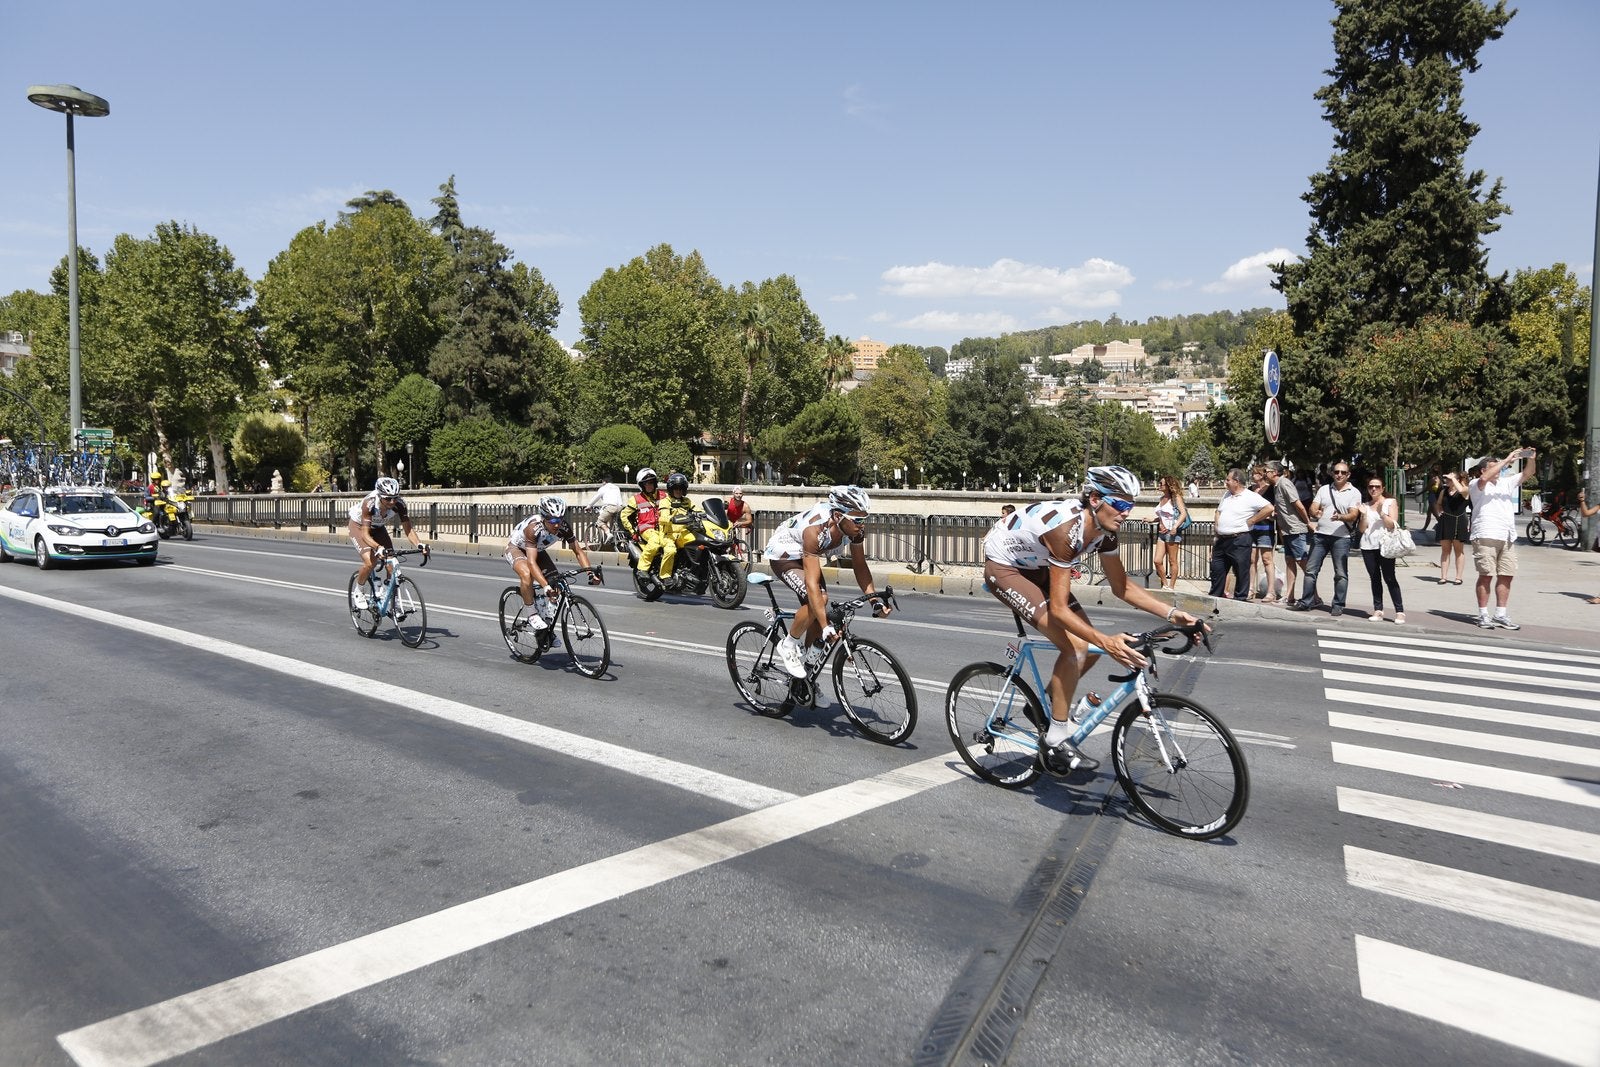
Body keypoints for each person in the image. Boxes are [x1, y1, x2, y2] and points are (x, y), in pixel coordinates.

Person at [984, 466, 1204, 776]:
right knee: (1076, 647)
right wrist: (1107, 642)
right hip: (1006, 568)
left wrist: (1171, 613)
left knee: (1085, 648)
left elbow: (1121, 587)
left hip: (1038, 565)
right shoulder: (1067, 531)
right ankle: (1056, 741)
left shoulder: (1105, 532)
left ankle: (1045, 709)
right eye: (1122, 504)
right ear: (1096, 499)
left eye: (1132, 505)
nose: (1127, 513)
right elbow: (1059, 610)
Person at [761, 485, 892, 679]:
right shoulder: (814, 531)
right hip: (785, 556)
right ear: (838, 516)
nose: (862, 525)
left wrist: (874, 600)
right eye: (857, 520)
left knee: (818, 608)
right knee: (819, 599)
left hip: (807, 555)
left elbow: (860, 566)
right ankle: (788, 644)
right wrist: (825, 626)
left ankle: (806, 679)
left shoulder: (855, 530)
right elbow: (812, 583)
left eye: (865, 519)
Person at [505, 495, 600, 631]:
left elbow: (578, 551)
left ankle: (546, 630)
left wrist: (590, 573)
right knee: (527, 575)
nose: (557, 524)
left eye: (560, 519)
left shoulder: (564, 527)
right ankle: (531, 613)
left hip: (538, 550)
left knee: (557, 583)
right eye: (553, 520)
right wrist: (545, 586)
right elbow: (531, 562)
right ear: (544, 518)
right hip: (517, 549)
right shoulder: (533, 528)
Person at [1467, 447, 1534, 630]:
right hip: (1485, 534)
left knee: (1506, 575)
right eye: (1493, 467)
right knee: (1486, 575)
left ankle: (1501, 614)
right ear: (1483, 469)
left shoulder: (1506, 483)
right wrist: (1505, 460)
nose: (1499, 470)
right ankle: (1483, 615)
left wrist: (1531, 458)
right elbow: (1484, 479)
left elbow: (1528, 473)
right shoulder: (1476, 484)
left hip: (1507, 536)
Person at [1289, 460, 1361, 616]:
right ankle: (1306, 602)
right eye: (1336, 472)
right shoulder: (1324, 489)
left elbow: (1354, 514)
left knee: (1340, 573)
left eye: (1343, 472)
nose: (1339, 475)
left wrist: (1341, 517)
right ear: (1332, 473)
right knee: (1310, 571)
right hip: (1321, 536)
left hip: (1342, 537)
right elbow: (1313, 507)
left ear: (1348, 475)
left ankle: (1338, 604)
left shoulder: (1354, 493)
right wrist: (1315, 512)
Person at [347, 476, 429, 608]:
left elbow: (408, 529)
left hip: (378, 528)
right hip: (359, 527)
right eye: (388, 498)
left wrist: (420, 544)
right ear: (379, 496)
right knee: (370, 562)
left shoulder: (399, 504)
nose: (392, 502)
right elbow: (365, 534)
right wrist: (378, 547)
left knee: (392, 561)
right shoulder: (370, 504)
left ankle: (388, 594)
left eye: (395, 498)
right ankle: (359, 591)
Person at [1208, 468, 1273, 601]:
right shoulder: (1226, 495)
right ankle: (1214, 598)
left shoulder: (1250, 496)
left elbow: (1269, 508)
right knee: (1217, 570)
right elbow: (1218, 511)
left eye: (1228, 479)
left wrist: (1253, 520)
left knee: (1241, 571)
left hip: (1239, 539)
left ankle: (1240, 599)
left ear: (1236, 481)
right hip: (1222, 539)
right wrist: (1217, 527)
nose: (1225, 482)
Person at [1357, 475, 1405, 623]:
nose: (1373, 489)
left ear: (1383, 488)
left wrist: (1381, 512)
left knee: (1390, 577)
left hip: (1385, 546)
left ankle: (1399, 611)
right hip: (1368, 546)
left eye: (1377, 486)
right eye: (1371, 486)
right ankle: (1378, 610)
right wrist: (1364, 515)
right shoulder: (1365, 505)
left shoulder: (1390, 502)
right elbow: (1362, 529)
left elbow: (1392, 524)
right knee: (1375, 578)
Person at [1265, 461, 1309, 607]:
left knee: (1303, 563)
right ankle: (1289, 596)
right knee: (1290, 562)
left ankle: (1314, 596)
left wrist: (1308, 522)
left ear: (1275, 472)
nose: (1265, 473)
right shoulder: (1277, 487)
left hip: (1295, 529)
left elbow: (1298, 504)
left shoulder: (1284, 483)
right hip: (1287, 530)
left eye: (1267, 471)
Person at [619, 468, 671, 581]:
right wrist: (633, 532)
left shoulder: (664, 496)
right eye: (646, 484)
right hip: (647, 530)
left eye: (651, 482)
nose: (649, 485)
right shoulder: (636, 499)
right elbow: (624, 516)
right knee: (655, 541)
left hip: (664, 529)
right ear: (642, 485)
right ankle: (642, 569)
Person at [1152, 475, 1188, 592]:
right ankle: (1165, 584)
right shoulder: (1162, 498)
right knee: (1157, 560)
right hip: (1162, 533)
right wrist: (1153, 520)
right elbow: (1162, 516)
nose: (1159, 485)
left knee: (1172, 561)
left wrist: (1175, 527)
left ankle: (1171, 587)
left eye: (1161, 483)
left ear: (1168, 485)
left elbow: (1183, 514)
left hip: (1172, 533)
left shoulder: (1176, 498)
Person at [1435, 469, 1471, 585]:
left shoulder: (1464, 490)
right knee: (1445, 550)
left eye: (1450, 479)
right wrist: (1440, 512)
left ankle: (1458, 577)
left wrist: (1455, 479)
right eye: (1447, 479)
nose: (1447, 481)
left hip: (1459, 520)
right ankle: (1443, 576)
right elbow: (1439, 503)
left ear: (1457, 480)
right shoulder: (1444, 491)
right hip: (1446, 520)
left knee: (1458, 550)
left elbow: (1461, 490)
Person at [1247, 465, 1276, 600]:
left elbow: (1275, 508)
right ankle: (1251, 588)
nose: (1254, 476)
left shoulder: (1270, 489)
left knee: (1267, 559)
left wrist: (1271, 515)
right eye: (1253, 474)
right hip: (1251, 529)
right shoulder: (1249, 490)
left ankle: (1271, 591)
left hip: (1265, 528)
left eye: (1256, 473)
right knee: (1252, 560)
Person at [588, 480, 624, 548]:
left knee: (600, 521)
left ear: (604, 481)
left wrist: (589, 506)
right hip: (620, 508)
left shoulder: (603, 488)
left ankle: (608, 533)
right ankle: (617, 539)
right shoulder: (616, 487)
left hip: (610, 507)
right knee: (616, 524)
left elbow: (595, 498)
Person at [725, 486, 755, 561]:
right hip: (726, 520)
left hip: (735, 522)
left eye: (740, 493)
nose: (738, 495)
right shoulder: (728, 501)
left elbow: (749, 520)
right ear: (733, 494)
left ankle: (733, 555)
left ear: (743, 494)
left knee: (733, 541)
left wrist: (741, 523)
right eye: (737, 493)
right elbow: (723, 513)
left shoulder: (745, 506)